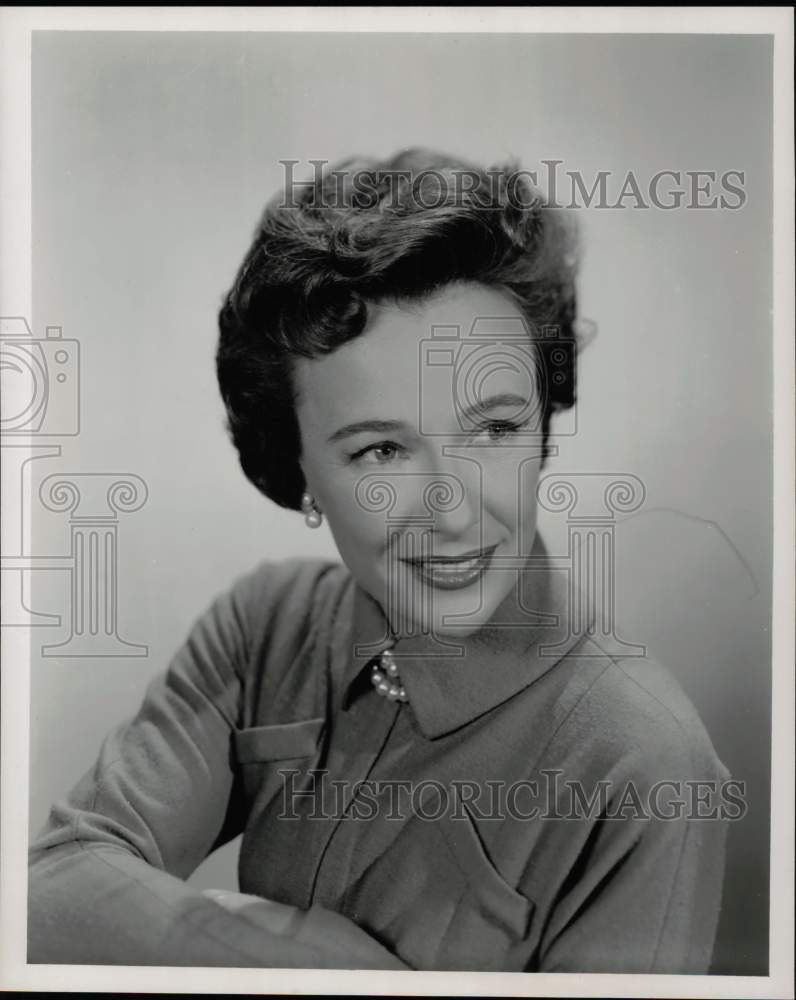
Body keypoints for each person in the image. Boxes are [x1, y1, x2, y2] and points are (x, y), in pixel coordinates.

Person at [28, 148, 730, 972]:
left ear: (544, 428)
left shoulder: (645, 765)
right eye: (383, 450)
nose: (457, 508)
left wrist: (212, 937)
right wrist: (320, 964)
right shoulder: (266, 627)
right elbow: (52, 890)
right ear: (299, 473)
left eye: (495, 431)